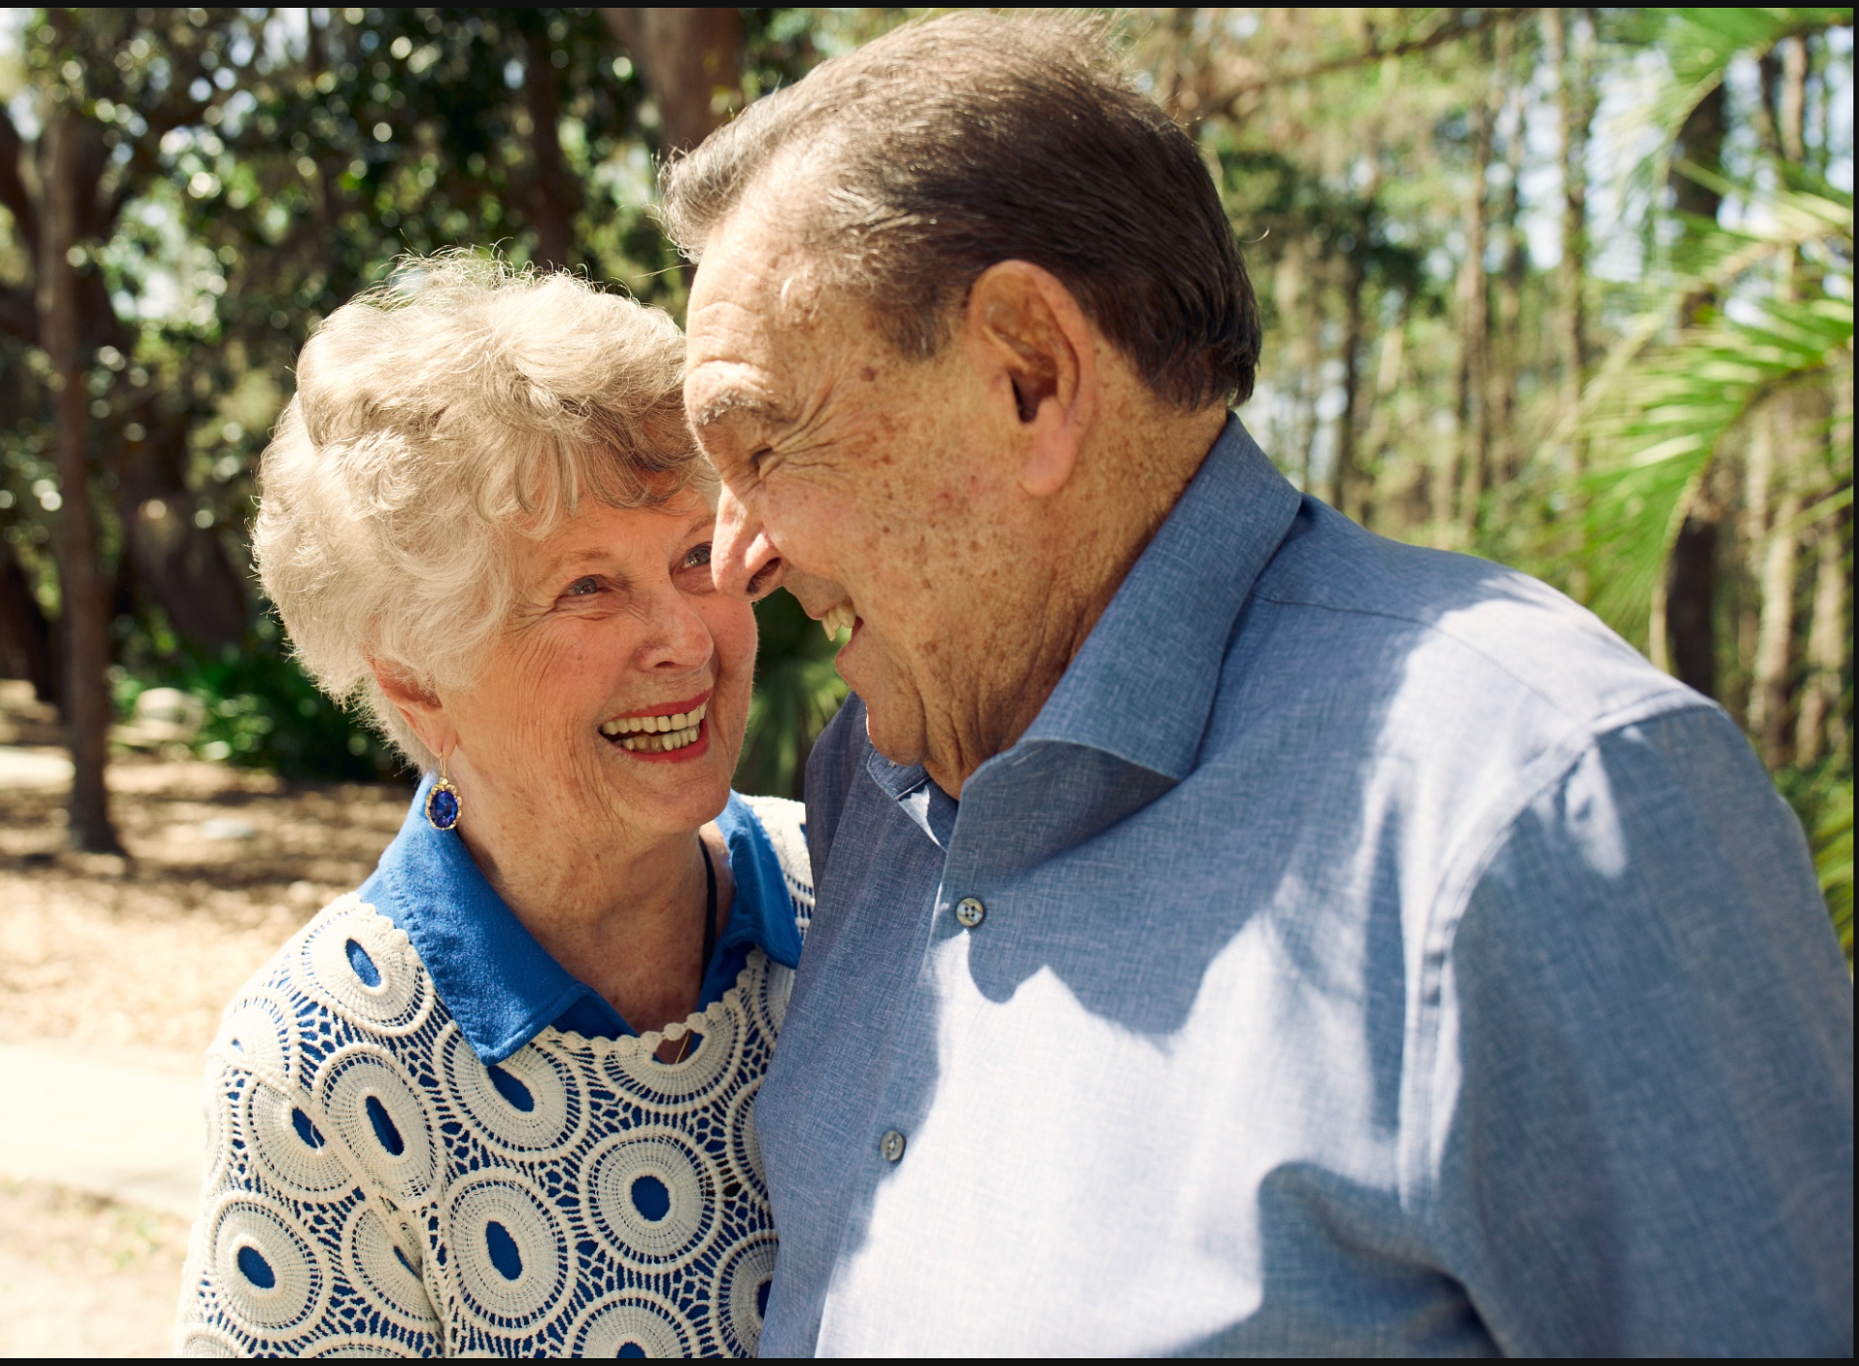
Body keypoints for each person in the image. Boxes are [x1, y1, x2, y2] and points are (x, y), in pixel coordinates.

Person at [664, 12, 1854, 1356]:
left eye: (761, 443)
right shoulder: (870, 789)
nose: (735, 554)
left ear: (1030, 376)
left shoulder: (1542, 811)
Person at [174, 259, 812, 1358]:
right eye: (586, 588)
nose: (686, 638)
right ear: (419, 678)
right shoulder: (322, 1066)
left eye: (695, 554)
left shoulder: (854, 887)